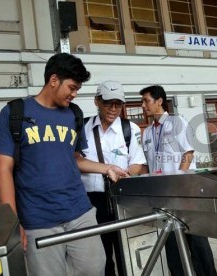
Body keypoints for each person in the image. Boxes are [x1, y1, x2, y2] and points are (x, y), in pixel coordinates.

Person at [0, 53, 127, 276]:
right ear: (53, 80)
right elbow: (3, 169)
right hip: (38, 219)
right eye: (71, 87)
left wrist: (106, 168)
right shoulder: (14, 113)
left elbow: (75, 158)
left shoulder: (73, 114)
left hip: (80, 212)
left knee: (94, 269)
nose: (74, 94)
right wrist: (12, 224)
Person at [140, 85, 217, 276]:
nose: (143, 105)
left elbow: (188, 154)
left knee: (196, 241)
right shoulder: (147, 132)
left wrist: (179, 186)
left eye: (146, 101)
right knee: (172, 245)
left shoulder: (177, 122)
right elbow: (149, 165)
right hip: (163, 199)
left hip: (184, 194)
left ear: (159, 101)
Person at [82, 80, 147, 276]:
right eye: (108, 103)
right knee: (100, 256)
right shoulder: (82, 128)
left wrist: (125, 174)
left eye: (118, 104)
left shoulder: (130, 129)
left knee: (125, 251)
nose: (113, 108)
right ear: (96, 102)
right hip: (91, 202)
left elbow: (138, 164)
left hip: (120, 198)